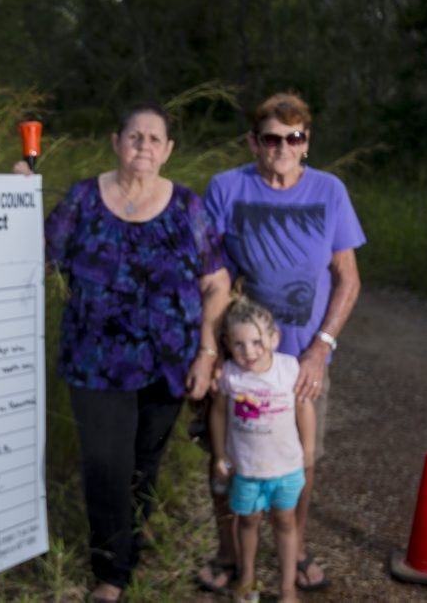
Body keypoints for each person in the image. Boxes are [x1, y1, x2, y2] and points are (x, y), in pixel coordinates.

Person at [36, 104, 231, 602]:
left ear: (167, 151)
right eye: (135, 136)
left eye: (154, 138)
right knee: (106, 465)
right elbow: (35, 255)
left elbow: (217, 284)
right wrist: (17, 194)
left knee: (146, 463)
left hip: (170, 364)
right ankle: (111, 573)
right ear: (116, 141)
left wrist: (207, 352)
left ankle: (130, 546)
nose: (144, 145)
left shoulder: (188, 206)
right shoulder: (82, 199)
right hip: (95, 362)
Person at [198, 91, 364, 594]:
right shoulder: (226, 188)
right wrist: (212, 347)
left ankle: (296, 551)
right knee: (226, 451)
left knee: (300, 456)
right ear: (254, 141)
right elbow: (209, 271)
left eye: (295, 137)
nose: (283, 147)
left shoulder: (330, 191)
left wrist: (322, 347)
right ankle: (229, 556)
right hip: (242, 354)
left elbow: (348, 278)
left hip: (301, 357)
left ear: (306, 142)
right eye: (272, 137)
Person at [210, 293, 315, 603]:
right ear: (228, 344)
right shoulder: (229, 374)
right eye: (239, 344)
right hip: (246, 469)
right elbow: (217, 413)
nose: (249, 352)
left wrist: (308, 450)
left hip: (287, 468)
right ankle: (247, 579)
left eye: (257, 342)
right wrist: (219, 453)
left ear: (274, 337)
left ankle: (287, 589)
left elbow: (304, 408)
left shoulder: (289, 368)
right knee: (248, 521)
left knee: (285, 522)